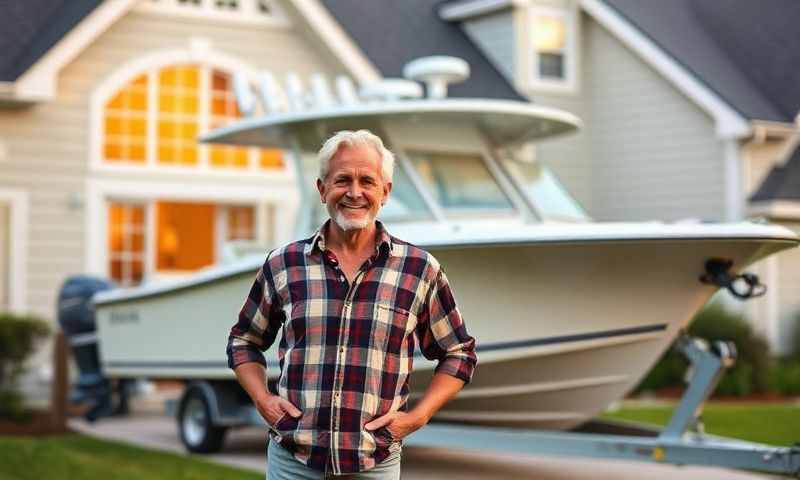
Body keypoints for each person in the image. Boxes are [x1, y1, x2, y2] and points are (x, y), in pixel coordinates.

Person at [226, 129, 477, 479]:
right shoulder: (284, 264)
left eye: (367, 181)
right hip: (293, 460)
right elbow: (244, 340)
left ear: (385, 192)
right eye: (342, 180)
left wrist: (418, 417)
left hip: (375, 460)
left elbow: (459, 352)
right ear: (322, 189)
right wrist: (263, 400)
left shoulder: (419, 269)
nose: (355, 192)